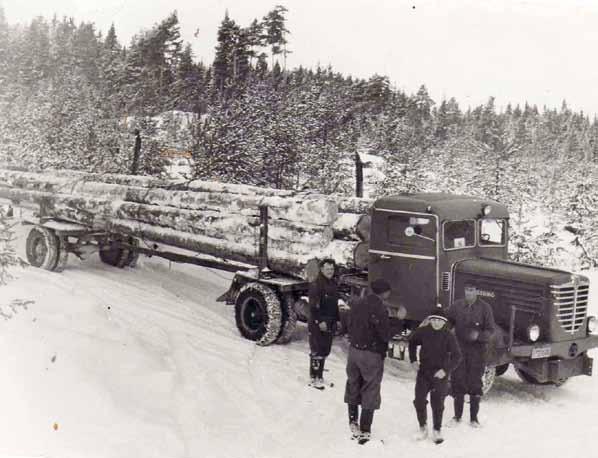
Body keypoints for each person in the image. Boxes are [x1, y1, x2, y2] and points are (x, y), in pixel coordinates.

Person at [344, 279, 392, 444]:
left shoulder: (357, 303)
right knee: (370, 389)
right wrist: (398, 320)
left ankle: (352, 420)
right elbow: (386, 334)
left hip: (354, 352)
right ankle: (365, 429)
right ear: (384, 293)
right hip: (371, 354)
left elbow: (348, 323)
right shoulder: (380, 308)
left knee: (353, 384)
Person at [409, 306, 462, 444]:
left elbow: (457, 356)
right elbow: (412, 343)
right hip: (424, 372)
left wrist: (445, 370)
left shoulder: (448, 336)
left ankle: (437, 429)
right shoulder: (423, 331)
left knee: (437, 403)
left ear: (444, 322)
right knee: (419, 400)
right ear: (430, 320)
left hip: (440, 375)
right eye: (433, 320)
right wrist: (413, 360)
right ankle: (422, 426)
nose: (436, 323)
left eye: (439, 320)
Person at [447, 282, 496, 428]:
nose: (469, 293)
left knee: (475, 383)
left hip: (477, 351)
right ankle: (457, 417)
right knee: (458, 381)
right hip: (460, 349)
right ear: (464, 291)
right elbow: (448, 319)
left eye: (472, 290)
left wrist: (479, 335)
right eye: (467, 290)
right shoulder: (457, 305)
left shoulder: (485, 308)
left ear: (477, 291)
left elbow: (491, 330)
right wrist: (449, 329)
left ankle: (474, 419)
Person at [308, 258, 340, 390]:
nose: (330, 272)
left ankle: (318, 375)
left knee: (325, 349)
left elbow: (335, 304)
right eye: (327, 269)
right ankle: (315, 377)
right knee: (317, 349)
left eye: (332, 269)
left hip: (330, 320)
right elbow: (313, 306)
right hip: (319, 322)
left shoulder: (333, 283)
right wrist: (319, 321)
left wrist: (337, 319)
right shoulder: (316, 284)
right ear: (321, 269)